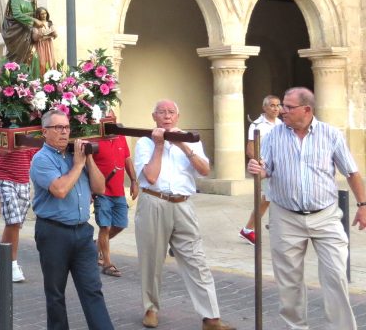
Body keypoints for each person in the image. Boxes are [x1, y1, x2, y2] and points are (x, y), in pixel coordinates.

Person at [247, 87, 366, 329]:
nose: (282, 111)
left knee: (335, 276)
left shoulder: (331, 135)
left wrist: (363, 205)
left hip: (325, 216)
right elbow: (267, 167)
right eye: (282, 106)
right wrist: (259, 169)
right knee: (289, 283)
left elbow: (352, 172)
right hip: (285, 216)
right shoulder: (273, 136)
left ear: (307, 109)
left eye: (288, 107)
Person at [134, 100, 234, 330]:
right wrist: (159, 146)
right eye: (162, 112)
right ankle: (151, 308)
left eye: (171, 112)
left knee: (196, 259)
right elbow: (150, 176)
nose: (167, 116)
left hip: (183, 204)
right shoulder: (144, 143)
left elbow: (204, 170)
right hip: (154, 201)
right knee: (152, 259)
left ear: (178, 117)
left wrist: (184, 147)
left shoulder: (191, 140)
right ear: (154, 116)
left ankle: (210, 317)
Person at [29, 110, 113, 330]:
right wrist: (77, 165)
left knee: (92, 288)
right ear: (45, 131)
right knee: (56, 293)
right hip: (53, 232)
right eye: (58, 128)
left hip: (82, 232)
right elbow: (60, 189)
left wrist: (89, 161)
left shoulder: (77, 156)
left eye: (66, 127)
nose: (64, 132)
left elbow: (100, 187)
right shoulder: (41, 159)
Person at [92, 109, 138, 277]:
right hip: (102, 191)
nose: (111, 121)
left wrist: (133, 181)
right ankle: (107, 263)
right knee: (105, 225)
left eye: (112, 118)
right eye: (107, 118)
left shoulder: (120, 136)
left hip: (118, 190)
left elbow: (127, 158)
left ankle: (96, 246)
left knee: (120, 224)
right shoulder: (94, 138)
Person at [239, 95, 283, 244]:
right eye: (272, 105)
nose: (276, 108)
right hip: (266, 168)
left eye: (278, 105)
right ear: (264, 108)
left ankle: (253, 228)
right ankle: (249, 229)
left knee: (271, 199)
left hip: (280, 167)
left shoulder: (280, 123)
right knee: (269, 199)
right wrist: (261, 162)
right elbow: (250, 150)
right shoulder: (257, 125)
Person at [0, 145, 38, 282]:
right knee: (13, 221)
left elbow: (35, 153)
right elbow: (0, 149)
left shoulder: (31, 131)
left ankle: (4, 260)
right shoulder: (5, 125)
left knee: (15, 223)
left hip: (23, 179)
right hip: (5, 177)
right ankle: (12, 264)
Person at [1, 0, 42, 66]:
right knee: (17, 55)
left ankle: (26, 76)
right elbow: (17, 14)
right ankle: (13, 72)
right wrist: (34, 20)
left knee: (29, 55)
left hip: (28, 30)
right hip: (17, 30)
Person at [32, 6, 57, 74]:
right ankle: (41, 79)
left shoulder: (49, 23)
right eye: (42, 14)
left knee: (50, 61)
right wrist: (44, 34)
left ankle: (51, 77)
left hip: (48, 45)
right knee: (41, 62)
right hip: (40, 46)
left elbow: (55, 35)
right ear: (38, 15)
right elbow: (35, 38)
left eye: (45, 13)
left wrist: (53, 34)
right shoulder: (36, 25)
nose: (44, 15)